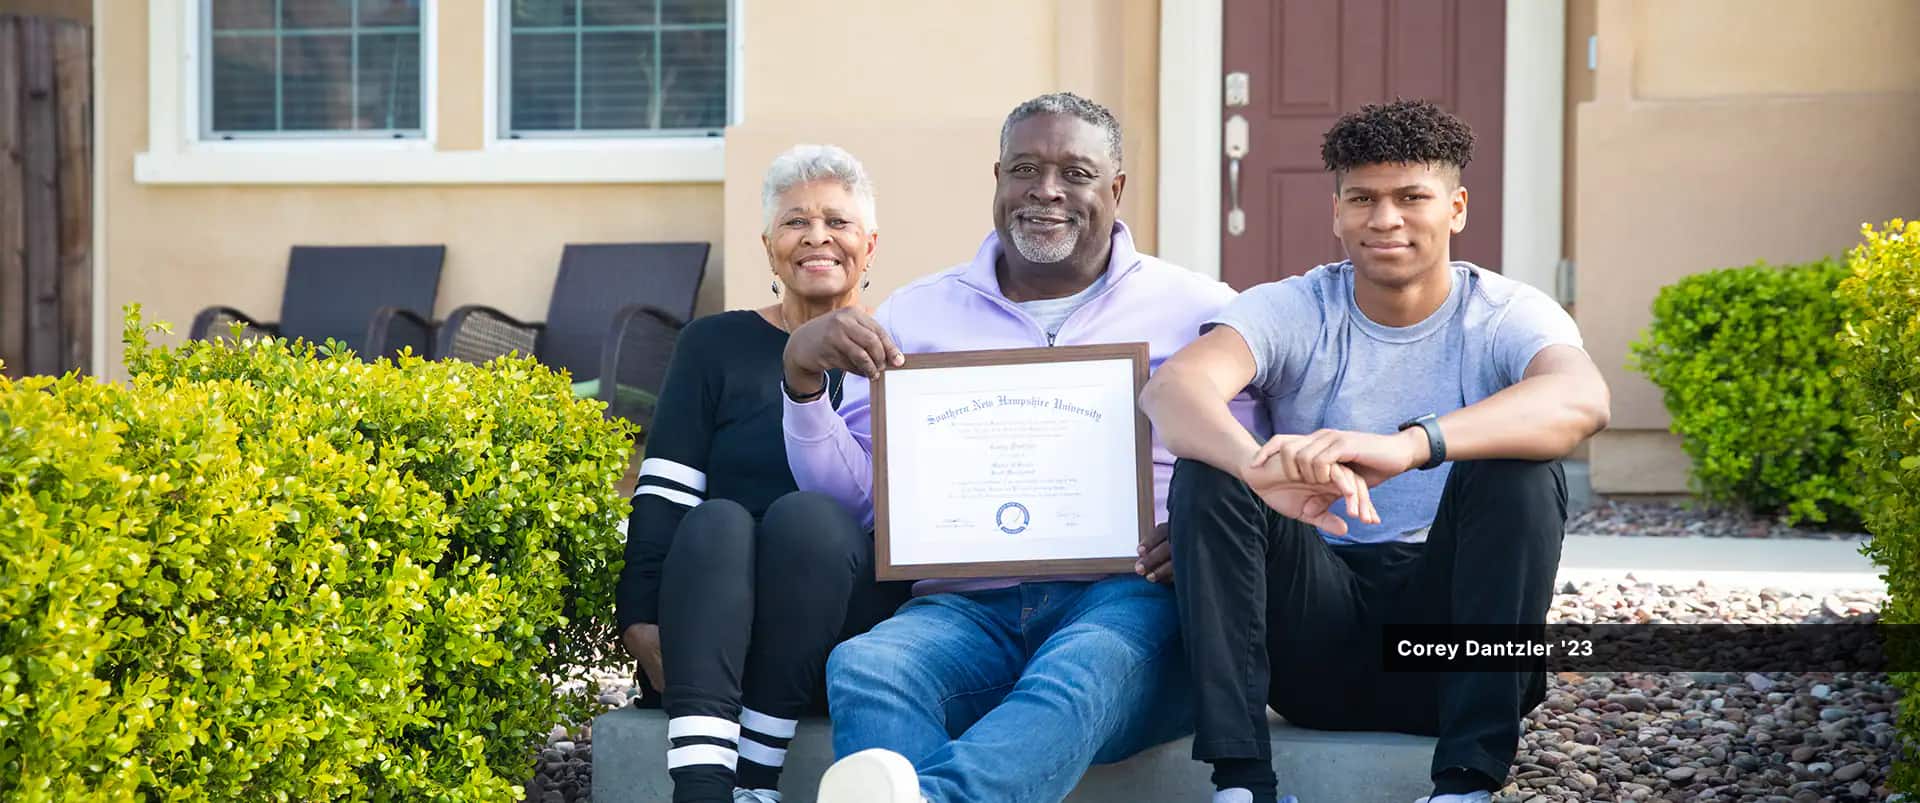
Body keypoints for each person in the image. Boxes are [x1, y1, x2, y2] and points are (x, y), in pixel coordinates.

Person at [777, 92, 1257, 803]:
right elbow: (852, 496)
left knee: (1083, 663)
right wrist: (804, 377)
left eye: (1076, 172)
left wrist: (1191, 536)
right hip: (967, 608)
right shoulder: (917, 313)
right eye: (1025, 168)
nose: (1047, 190)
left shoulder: (1197, 308)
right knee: (869, 664)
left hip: (1129, 599)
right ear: (997, 178)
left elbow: (1251, 463)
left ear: (1116, 188)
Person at [1139, 99, 1612, 803]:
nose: (1384, 218)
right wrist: (1257, 470)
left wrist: (1412, 445)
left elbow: (1582, 399)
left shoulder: (1507, 312)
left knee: (1521, 468)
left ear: (1455, 208)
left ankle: (1463, 785)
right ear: (1336, 212)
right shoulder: (1297, 306)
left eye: (1410, 197)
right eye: (1362, 198)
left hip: (1451, 646)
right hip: (1315, 636)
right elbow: (1174, 389)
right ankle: (1241, 787)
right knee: (1212, 474)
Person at [614, 144, 910, 803]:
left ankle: (754, 779)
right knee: (715, 518)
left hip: (835, 631)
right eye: (795, 221)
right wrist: (639, 619)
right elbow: (664, 491)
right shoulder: (712, 344)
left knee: (808, 517)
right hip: (710, 635)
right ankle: (703, 788)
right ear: (769, 244)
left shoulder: (896, 348)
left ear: (870, 243)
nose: (816, 237)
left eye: (837, 221)